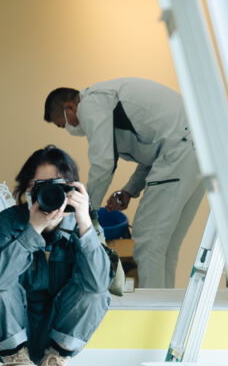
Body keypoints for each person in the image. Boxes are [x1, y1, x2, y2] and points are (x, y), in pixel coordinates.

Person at [0, 146, 111, 366]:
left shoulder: (85, 223)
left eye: (58, 186)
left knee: (96, 293)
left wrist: (85, 225)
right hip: (10, 328)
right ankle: (17, 364)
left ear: (72, 190)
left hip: (57, 331)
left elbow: (99, 286)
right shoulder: (7, 222)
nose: (50, 194)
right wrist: (32, 230)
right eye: (41, 186)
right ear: (27, 190)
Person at [44, 78, 204, 288]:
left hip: (180, 153)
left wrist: (86, 209)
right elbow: (154, 152)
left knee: (148, 242)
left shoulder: (91, 103)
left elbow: (103, 163)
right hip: (196, 152)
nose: (68, 128)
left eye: (62, 123)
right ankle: (167, 310)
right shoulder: (109, 104)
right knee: (165, 245)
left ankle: (154, 311)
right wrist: (129, 191)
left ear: (70, 107)